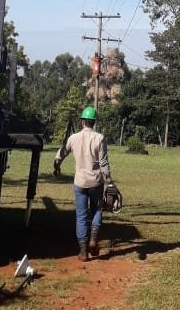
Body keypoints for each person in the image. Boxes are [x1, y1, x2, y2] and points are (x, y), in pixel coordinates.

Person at [53, 105, 113, 261]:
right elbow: (104, 164)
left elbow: (60, 154)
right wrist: (110, 184)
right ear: (94, 122)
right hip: (96, 183)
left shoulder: (73, 138)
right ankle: (93, 239)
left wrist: (56, 167)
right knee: (97, 210)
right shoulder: (100, 138)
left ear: (82, 122)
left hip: (79, 183)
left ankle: (83, 251)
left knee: (81, 216)